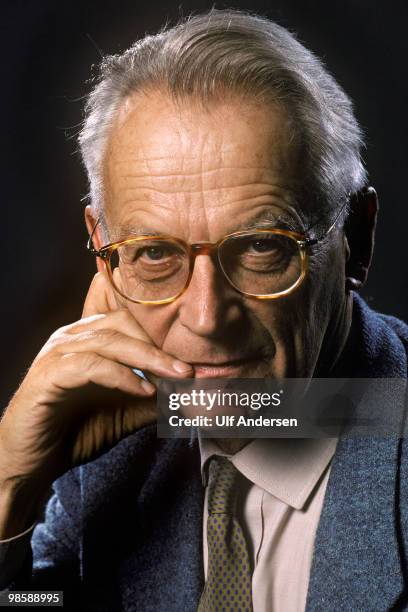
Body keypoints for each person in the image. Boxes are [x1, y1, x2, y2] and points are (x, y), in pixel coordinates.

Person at [0, 8, 407, 612]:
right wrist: (8, 489)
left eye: (263, 247)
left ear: (357, 238)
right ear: (102, 250)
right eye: (156, 253)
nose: (206, 316)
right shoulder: (108, 450)